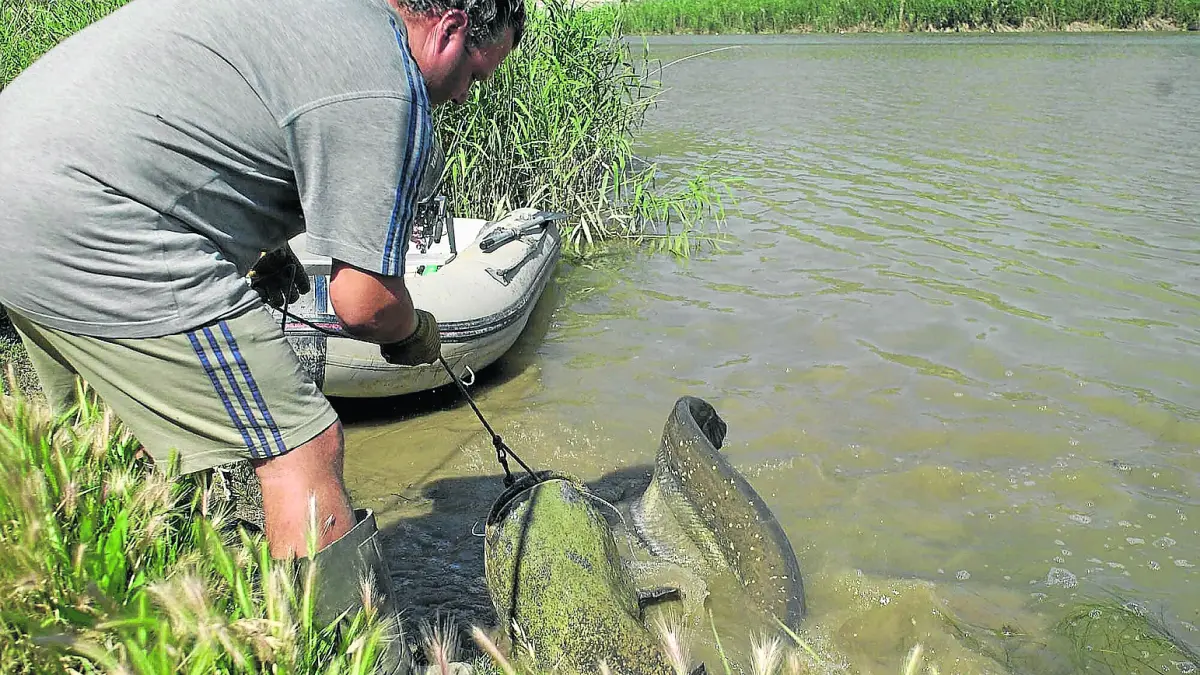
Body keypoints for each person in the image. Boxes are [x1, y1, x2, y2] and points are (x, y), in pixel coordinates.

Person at [0, 0, 524, 670]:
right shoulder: (387, 81)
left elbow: (197, 122)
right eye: (475, 75)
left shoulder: (324, 16)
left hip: (19, 191)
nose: (465, 95)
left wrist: (254, 249)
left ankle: (86, 633)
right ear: (450, 29)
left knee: (108, 452)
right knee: (302, 449)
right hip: (95, 219)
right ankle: (345, 661)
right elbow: (364, 303)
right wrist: (415, 331)